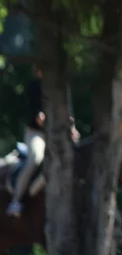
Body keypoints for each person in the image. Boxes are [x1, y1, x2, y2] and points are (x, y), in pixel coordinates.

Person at [6, 64, 80, 218]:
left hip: (58, 135)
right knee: (37, 158)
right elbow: (39, 119)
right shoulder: (34, 87)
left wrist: (72, 129)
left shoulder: (63, 89)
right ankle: (16, 200)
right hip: (37, 134)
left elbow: (69, 115)